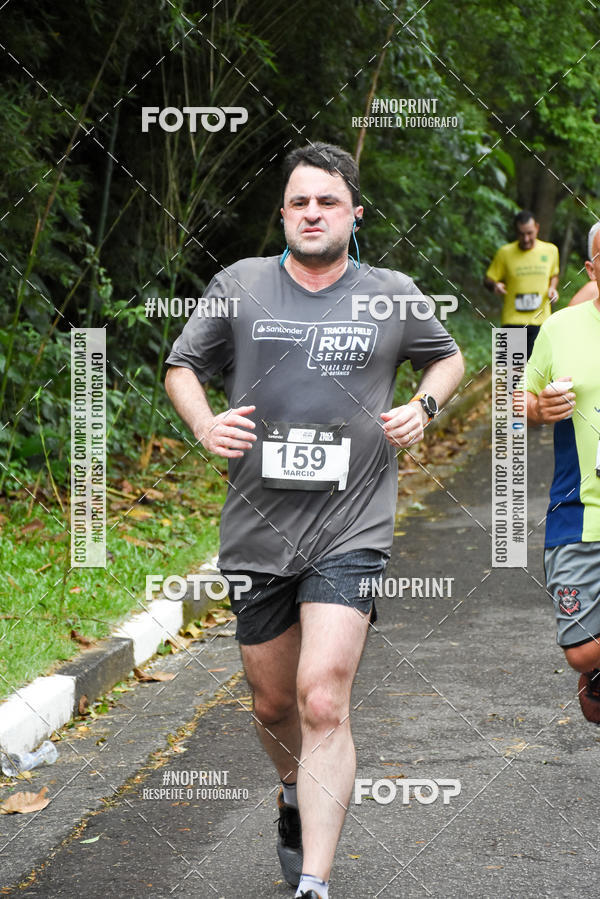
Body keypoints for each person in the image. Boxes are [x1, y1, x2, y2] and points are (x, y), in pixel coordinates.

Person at [164, 141, 464, 898]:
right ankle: (295, 792)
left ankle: (314, 883)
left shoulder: (391, 293)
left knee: (323, 697)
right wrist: (205, 424)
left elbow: (448, 357)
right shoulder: (241, 284)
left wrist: (423, 406)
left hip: (350, 526)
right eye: (299, 201)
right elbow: (181, 365)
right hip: (257, 528)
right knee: (274, 704)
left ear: (355, 214)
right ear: (283, 214)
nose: (312, 213)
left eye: (328, 201)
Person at [525, 220, 600, 724]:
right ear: (592, 270)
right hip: (579, 513)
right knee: (581, 653)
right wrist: (537, 407)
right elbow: (515, 400)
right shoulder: (561, 328)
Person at [484, 210, 559, 358]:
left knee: (538, 369)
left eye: (530, 233)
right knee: (511, 371)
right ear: (516, 232)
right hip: (512, 321)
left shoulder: (551, 250)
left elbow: (554, 275)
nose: (526, 239)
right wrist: (495, 286)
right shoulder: (504, 253)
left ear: (537, 228)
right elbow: (488, 279)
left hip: (541, 321)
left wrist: (552, 288)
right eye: (521, 234)